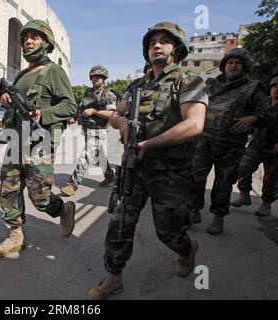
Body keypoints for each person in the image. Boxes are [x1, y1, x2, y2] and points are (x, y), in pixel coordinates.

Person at [87, 22, 208, 300]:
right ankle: (113, 277)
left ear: (176, 48)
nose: (157, 45)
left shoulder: (188, 79)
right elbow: (116, 115)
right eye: (153, 42)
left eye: (164, 41)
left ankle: (187, 251)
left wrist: (150, 144)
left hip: (171, 171)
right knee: (119, 224)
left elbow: (195, 124)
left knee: (168, 231)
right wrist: (123, 124)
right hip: (134, 167)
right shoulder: (138, 85)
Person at [0, 19, 77, 259]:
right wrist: (6, 100)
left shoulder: (54, 72)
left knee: (40, 197)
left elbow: (70, 106)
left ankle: (63, 209)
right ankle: (15, 235)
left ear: (46, 43)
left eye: (35, 37)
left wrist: (42, 113)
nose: (28, 41)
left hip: (39, 144)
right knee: (9, 189)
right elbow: (12, 103)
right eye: (26, 37)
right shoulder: (21, 75)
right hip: (15, 140)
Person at [187, 48, 270, 235]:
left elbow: (267, 113)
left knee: (223, 183)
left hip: (231, 145)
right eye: (230, 62)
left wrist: (253, 118)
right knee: (195, 177)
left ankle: (218, 217)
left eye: (238, 63)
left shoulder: (253, 88)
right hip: (204, 141)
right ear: (224, 66)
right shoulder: (211, 84)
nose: (233, 66)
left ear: (245, 66)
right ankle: (193, 211)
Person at [60, 65, 116, 197]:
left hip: (99, 130)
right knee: (98, 156)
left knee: (86, 155)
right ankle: (110, 177)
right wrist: (74, 117)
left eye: (99, 77)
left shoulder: (109, 94)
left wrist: (94, 111)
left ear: (104, 78)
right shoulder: (88, 92)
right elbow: (80, 108)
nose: (95, 79)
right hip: (86, 129)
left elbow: (112, 114)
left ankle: (72, 185)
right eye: (93, 76)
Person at [230, 76, 278, 217]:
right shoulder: (263, 104)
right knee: (242, 167)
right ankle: (244, 195)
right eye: (275, 86)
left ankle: (266, 204)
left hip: (274, 148)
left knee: (271, 177)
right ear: (270, 89)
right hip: (257, 143)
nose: (277, 89)